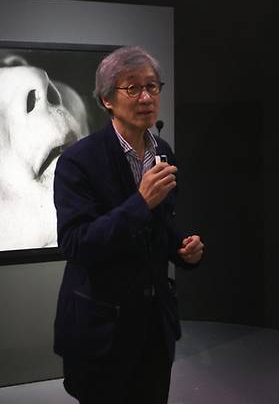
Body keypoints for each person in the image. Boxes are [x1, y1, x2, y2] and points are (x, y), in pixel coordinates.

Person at [52, 45, 204, 404]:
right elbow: (76, 243)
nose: (146, 97)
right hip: (103, 329)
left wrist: (185, 250)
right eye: (132, 88)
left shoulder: (162, 150)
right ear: (107, 99)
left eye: (153, 86)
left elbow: (161, 226)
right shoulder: (78, 160)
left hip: (154, 328)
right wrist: (140, 202)